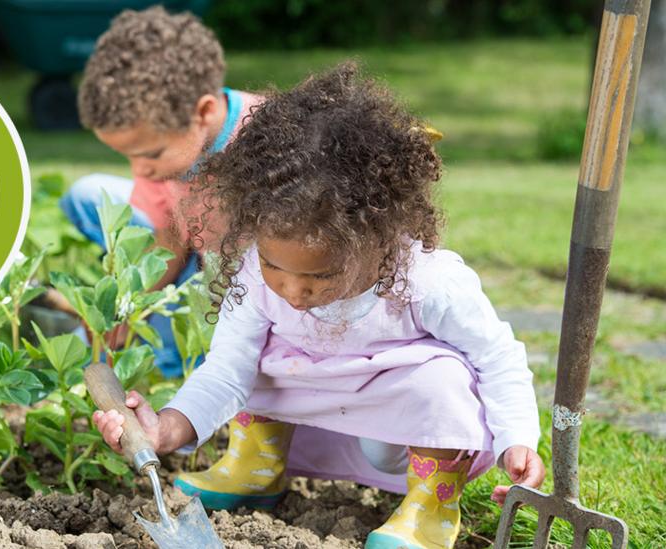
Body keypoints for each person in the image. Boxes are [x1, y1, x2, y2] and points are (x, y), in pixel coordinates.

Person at [92, 63, 544, 549]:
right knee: (257, 358)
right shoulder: (254, 272)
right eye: (274, 265)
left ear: (378, 238)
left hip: (400, 420)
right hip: (314, 398)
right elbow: (225, 372)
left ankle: (431, 506)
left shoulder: (427, 281)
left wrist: (516, 439)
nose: (292, 291)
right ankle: (256, 466)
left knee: (445, 378)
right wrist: (166, 428)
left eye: (321, 276)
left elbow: (496, 358)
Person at [59, 6, 263, 378]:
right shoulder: (170, 153)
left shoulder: (266, 140)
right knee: (88, 195)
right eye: (129, 156)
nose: (139, 170)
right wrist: (128, 308)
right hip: (200, 254)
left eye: (150, 154)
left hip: (248, 280)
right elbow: (169, 240)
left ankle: (174, 366)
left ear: (203, 112)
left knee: (182, 335)